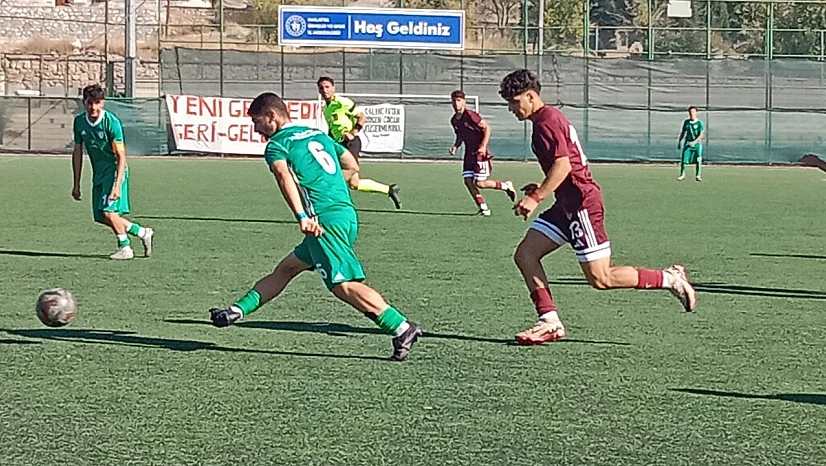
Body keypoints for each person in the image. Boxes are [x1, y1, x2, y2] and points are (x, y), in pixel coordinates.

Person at [209, 92, 422, 361]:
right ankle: (236, 311)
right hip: (345, 214)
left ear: (271, 116)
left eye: (257, 121)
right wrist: (331, 183)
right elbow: (351, 164)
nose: (256, 129)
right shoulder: (317, 135)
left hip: (322, 222)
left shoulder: (277, 145)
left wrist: (303, 216)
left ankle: (401, 327)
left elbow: (284, 177)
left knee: (342, 285)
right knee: (287, 269)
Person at [498, 69, 697, 345]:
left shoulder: (546, 121)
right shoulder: (545, 120)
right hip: (565, 205)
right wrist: (542, 187)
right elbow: (563, 167)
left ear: (530, 96)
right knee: (525, 255)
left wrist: (537, 197)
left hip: (582, 204)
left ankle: (669, 278)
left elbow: (563, 166)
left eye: (514, 101)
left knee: (601, 278)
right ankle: (549, 321)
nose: (511, 108)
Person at [71, 83, 153, 260]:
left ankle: (125, 248)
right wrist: (76, 183)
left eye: (97, 103)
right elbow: (77, 152)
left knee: (108, 211)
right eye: (90, 102)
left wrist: (117, 185)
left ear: (103, 103)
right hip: (99, 173)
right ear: (84, 102)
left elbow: (121, 156)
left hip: (115, 171)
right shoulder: (79, 122)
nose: (93, 107)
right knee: (100, 216)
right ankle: (142, 232)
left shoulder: (111, 122)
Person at [317, 76, 402, 209]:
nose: (324, 90)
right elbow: (333, 128)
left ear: (333, 88)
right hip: (339, 144)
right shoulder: (326, 109)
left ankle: (328, 197)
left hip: (351, 143)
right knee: (354, 184)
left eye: (327, 87)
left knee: (348, 169)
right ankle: (389, 190)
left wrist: (353, 132)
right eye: (321, 88)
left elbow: (362, 117)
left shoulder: (342, 102)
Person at [449, 90, 516, 216]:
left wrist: (483, 146)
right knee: (468, 181)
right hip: (469, 154)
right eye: (454, 101)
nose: (456, 103)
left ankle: (505, 186)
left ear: (464, 102)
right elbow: (460, 135)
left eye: (459, 100)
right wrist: (455, 146)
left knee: (480, 183)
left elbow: (487, 128)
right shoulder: (454, 120)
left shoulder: (471, 115)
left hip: (480, 154)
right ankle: (483, 208)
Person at [677, 106, 705, 181]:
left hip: (697, 144)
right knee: (684, 159)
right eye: (690, 112)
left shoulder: (699, 123)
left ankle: (698, 175)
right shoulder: (686, 122)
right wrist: (679, 141)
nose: (691, 113)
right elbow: (683, 132)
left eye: (693, 112)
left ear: (696, 113)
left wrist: (694, 142)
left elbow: (701, 134)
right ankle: (682, 174)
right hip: (688, 144)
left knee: (698, 159)